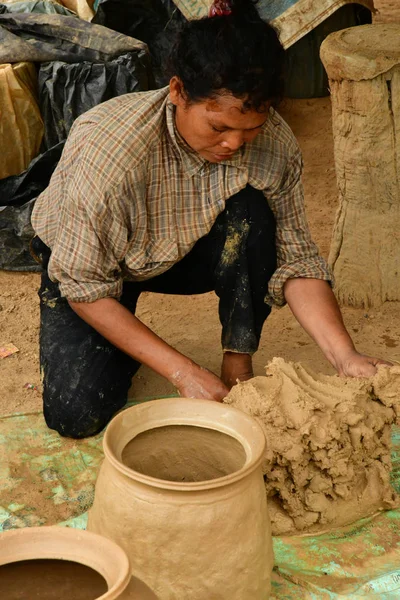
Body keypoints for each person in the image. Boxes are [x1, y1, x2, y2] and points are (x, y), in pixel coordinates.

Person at [31, 0, 388, 439]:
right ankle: (122, 330)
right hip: (92, 268)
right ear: (179, 91)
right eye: (218, 127)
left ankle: (237, 358)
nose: (235, 143)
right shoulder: (113, 156)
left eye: (251, 127)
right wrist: (181, 371)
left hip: (183, 246)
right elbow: (85, 286)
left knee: (253, 216)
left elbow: (295, 260)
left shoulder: (273, 144)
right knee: (76, 414)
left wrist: (344, 356)